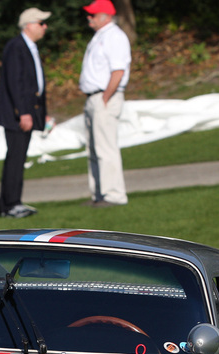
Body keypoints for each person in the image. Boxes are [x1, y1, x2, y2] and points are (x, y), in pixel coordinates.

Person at [0, 7, 51, 219]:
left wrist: (40, 112)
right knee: (15, 157)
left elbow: (34, 84)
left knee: (19, 156)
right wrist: (23, 112)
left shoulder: (30, 48)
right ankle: (9, 205)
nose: (45, 27)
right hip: (16, 114)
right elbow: (15, 83)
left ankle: (14, 200)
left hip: (28, 112)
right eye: (41, 23)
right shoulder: (16, 47)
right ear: (29, 25)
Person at [79, 0, 130, 208]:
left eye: (92, 15)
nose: (89, 18)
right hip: (94, 97)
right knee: (94, 148)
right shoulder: (100, 37)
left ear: (104, 16)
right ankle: (99, 193)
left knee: (105, 148)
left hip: (104, 96)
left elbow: (118, 70)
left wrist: (106, 97)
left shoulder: (114, 36)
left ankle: (114, 195)